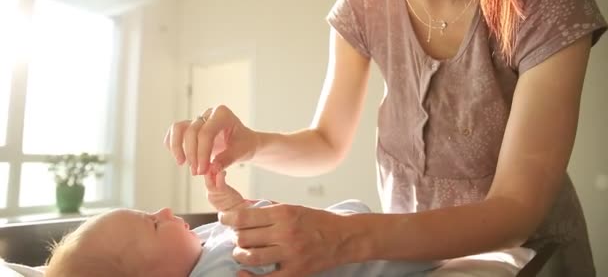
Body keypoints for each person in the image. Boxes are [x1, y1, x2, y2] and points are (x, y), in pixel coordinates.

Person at [164, 0, 606, 276]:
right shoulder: (362, 4)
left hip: (534, 259)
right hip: (412, 261)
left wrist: (344, 239)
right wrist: (252, 143)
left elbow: (515, 209)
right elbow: (327, 142)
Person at [43, 170, 439, 277]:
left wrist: (236, 208)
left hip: (357, 225)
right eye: (152, 224)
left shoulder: (194, 245)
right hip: (397, 255)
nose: (164, 211)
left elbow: (254, 226)